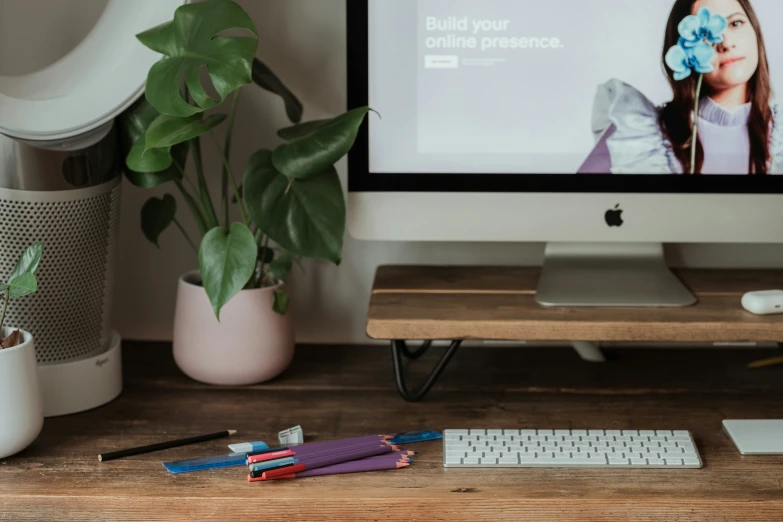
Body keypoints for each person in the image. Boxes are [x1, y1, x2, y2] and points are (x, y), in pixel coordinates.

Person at [578, 0, 783, 175]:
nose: (725, 43)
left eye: (736, 23)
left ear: (755, 31)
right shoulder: (638, 133)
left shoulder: (779, 135)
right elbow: (582, 210)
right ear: (680, 48)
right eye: (706, 35)